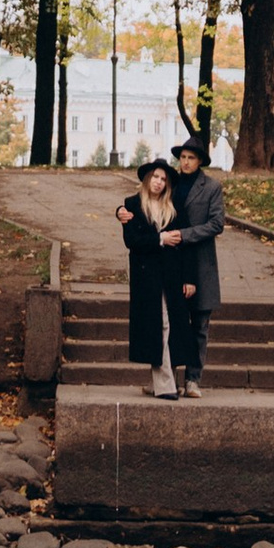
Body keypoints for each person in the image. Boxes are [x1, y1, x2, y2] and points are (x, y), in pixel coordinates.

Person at [162, 133, 224, 394]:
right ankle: (168, 379)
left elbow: (216, 223)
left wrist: (186, 235)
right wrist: (122, 212)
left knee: (200, 324)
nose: (185, 162)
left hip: (201, 263)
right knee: (173, 322)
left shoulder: (211, 187)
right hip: (173, 262)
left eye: (191, 158)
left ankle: (193, 379)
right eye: (183, 157)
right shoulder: (170, 184)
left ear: (200, 162)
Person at [117, 157, 182, 396]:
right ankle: (165, 385)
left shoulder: (172, 207)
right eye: (155, 176)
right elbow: (131, 241)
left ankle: (156, 383)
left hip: (169, 274)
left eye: (163, 179)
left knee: (165, 324)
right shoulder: (131, 204)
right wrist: (160, 239)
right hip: (146, 276)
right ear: (147, 178)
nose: (158, 182)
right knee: (160, 323)